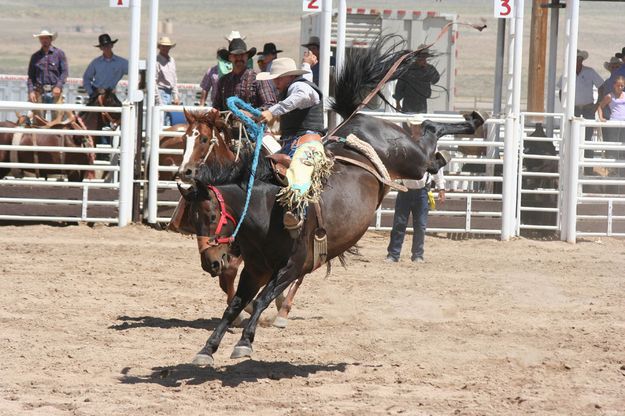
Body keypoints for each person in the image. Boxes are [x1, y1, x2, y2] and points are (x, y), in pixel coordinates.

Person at [257, 57, 330, 234]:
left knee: (300, 171)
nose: (275, 83)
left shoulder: (299, 87)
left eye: (278, 78)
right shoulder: (296, 85)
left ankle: (296, 212)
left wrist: (271, 111)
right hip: (292, 142)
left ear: (289, 77)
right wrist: (307, 65)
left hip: (308, 143)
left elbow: (303, 95)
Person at [386, 169, 446, 263]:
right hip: (406, 190)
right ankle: (394, 254)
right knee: (399, 223)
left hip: (420, 191)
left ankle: (415, 255)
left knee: (420, 225)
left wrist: (441, 188)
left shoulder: (428, 155)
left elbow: (436, 169)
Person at [212, 38, 277, 111]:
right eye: (236, 55)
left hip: (253, 122)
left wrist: (252, 114)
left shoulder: (258, 78)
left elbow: (270, 105)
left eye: (242, 55)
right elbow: (216, 107)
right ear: (230, 57)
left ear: (247, 57)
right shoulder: (223, 82)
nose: (239, 58)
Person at [27, 29, 68, 121]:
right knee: (38, 120)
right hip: (39, 91)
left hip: (55, 91)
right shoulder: (35, 57)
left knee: (57, 120)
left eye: (46, 38)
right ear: (40, 40)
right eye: (42, 38)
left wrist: (58, 86)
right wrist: (31, 91)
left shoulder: (59, 54)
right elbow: (31, 76)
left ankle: (57, 134)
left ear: (50, 39)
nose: (44, 40)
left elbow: (64, 72)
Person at [393, 45, 440, 115]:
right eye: (421, 57)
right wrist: (397, 103)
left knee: (420, 122)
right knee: (408, 122)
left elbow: (435, 80)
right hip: (408, 102)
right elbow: (399, 87)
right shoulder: (408, 69)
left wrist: (427, 69)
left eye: (424, 57)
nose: (423, 59)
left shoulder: (429, 68)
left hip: (422, 104)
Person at [82, 34, 129, 100]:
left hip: (110, 95)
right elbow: (86, 78)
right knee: (87, 110)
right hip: (96, 93)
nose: (106, 48)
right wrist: (91, 93)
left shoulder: (121, 63)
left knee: (119, 110)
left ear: (112, 46)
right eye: (104, 46)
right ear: (101, 48)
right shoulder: (95, 63)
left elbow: (134, 71)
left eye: (108, 45)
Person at [598, 75, 625, 170]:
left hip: (623, 124)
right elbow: (600, 106)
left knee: (622, 146)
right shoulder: (610, 96)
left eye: (622, 86)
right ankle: (612, 169)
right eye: (618, 85)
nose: (620, 88)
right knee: (613, 146)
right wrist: (601, 117)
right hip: (614, 123)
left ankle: (621, 170)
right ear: (614, 85)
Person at [155, 36, 180, 125]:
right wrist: (158, 99)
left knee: (167, 119)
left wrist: (176, 96)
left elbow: (174, 79)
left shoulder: (171, 60)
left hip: (169, 93)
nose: (166, 48)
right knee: (160, 120)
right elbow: (154, 82)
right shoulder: (156, 61)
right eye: (164, 46)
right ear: (160, 47)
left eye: (167, 46)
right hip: (160, 92)